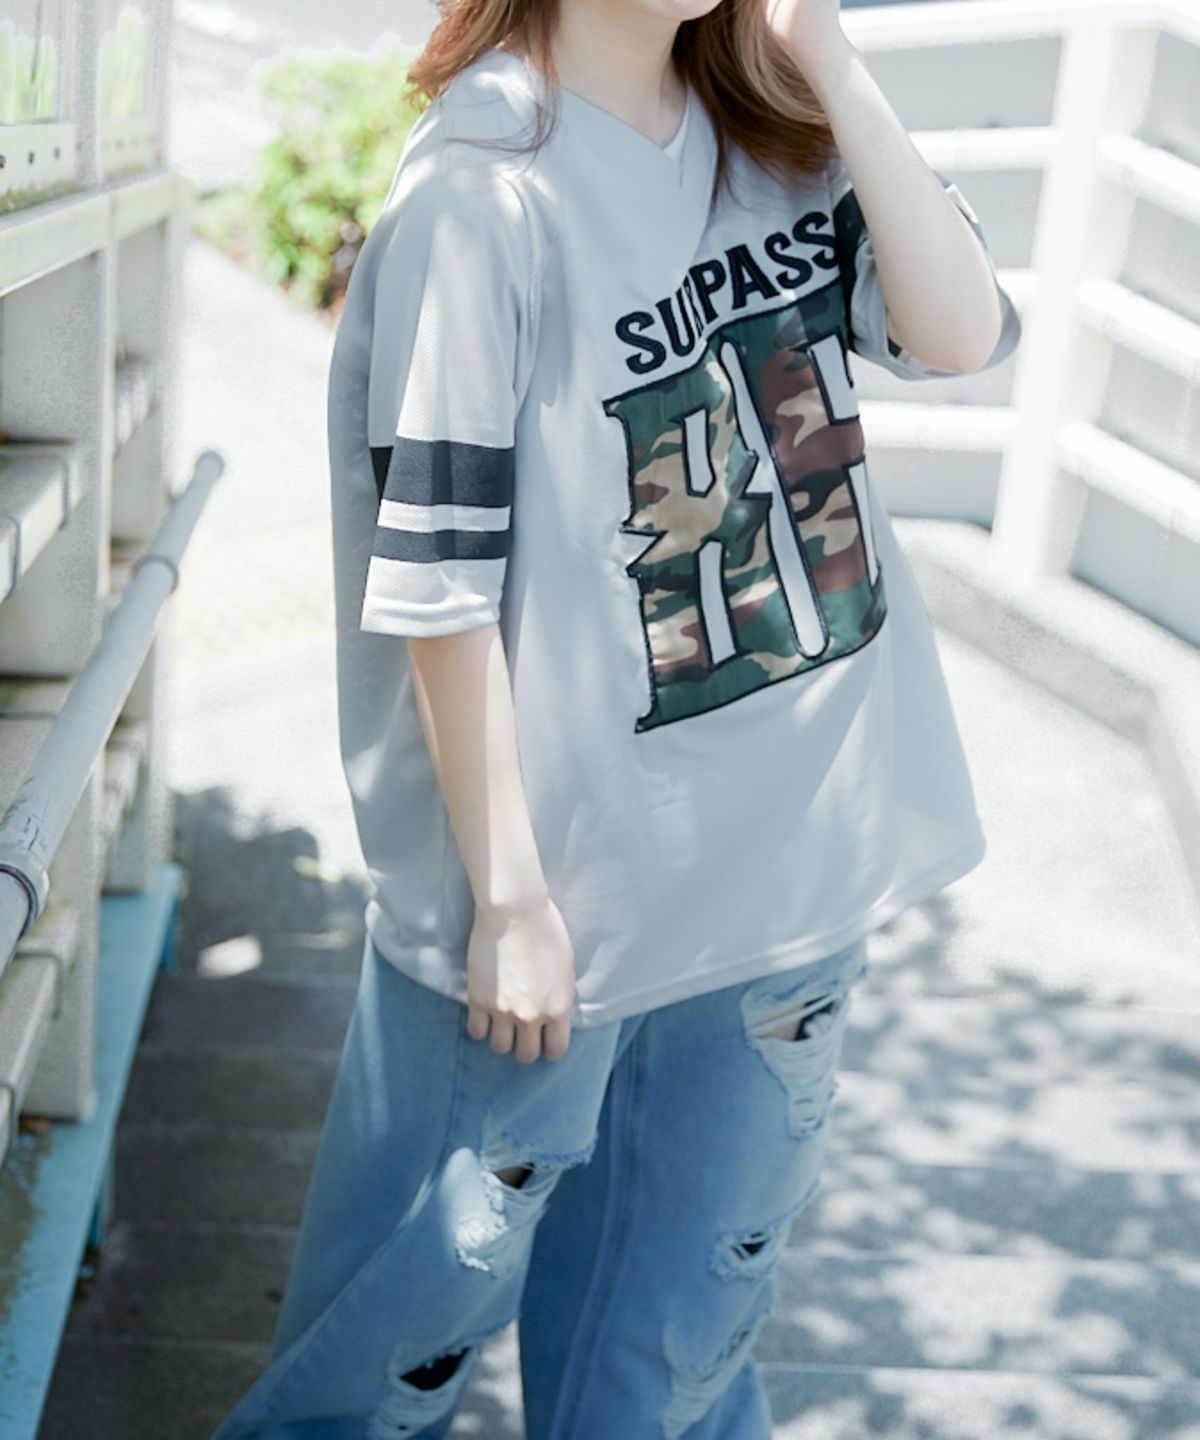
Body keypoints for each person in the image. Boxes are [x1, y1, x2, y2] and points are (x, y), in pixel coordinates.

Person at [209, 0, 1021, 1432]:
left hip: (782, 883)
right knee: (384, 1352)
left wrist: (832, 65)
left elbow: (960, 335)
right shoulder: (481, 192)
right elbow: (441, 586)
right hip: (556, 906)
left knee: (671, 1362)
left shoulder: (778, 133)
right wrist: (511, 899)